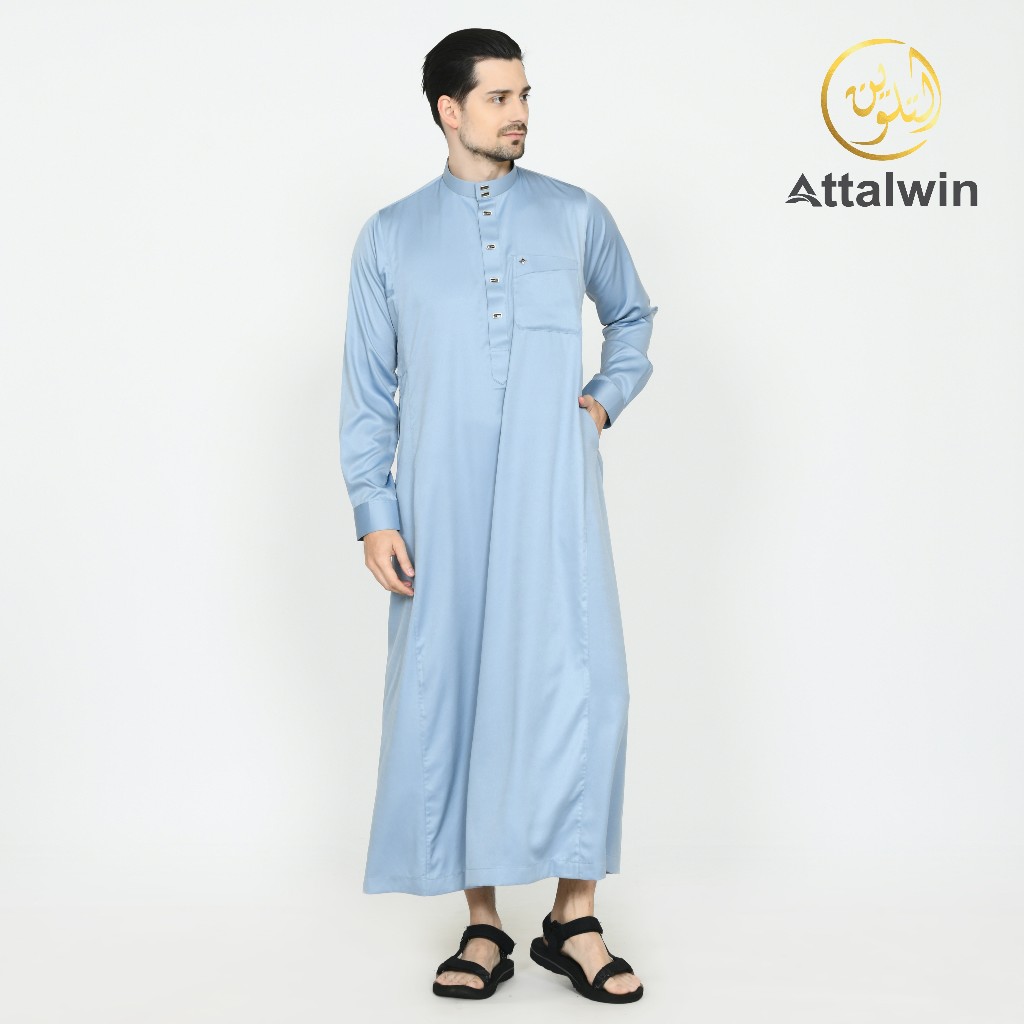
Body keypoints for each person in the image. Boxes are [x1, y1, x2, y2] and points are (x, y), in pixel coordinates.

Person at [338, 27, 656, 1003]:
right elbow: (369, 389)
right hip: (439, 499)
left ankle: (574, 914)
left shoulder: (574, 215)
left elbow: (633, 317)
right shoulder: (390, 235)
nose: (519, 114)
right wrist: (375, 508)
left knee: (585, 686)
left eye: (524, 96)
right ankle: (482, 923)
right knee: (458, 685)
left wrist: (600, 401)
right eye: (498, 98)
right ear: (450, 109)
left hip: (553, 495)